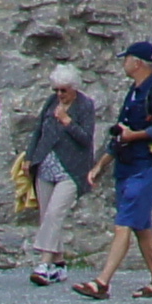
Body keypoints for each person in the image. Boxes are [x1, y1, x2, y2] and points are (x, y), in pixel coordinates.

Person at [79, 41, 152, 299]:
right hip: (126, 164)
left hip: (145, 166)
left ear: (138, 63)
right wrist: (100, 165)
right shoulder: (133, 92)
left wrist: (138, 136)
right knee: (141, 226)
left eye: (126, 59)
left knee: (124, 222)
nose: (123, 63)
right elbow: (121, 132)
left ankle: (102, 282)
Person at [20, 67, 104, 285]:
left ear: (73, 88)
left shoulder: (85, 106)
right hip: (45, 166)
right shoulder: (51, 103)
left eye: (64, 90)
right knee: (46, 214)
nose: (59, 94)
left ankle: (44, 263)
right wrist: (29, 157)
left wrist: (67, 121)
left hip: (71, 169)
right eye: (56, 90)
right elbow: (38, 130)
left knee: (55, 213)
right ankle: (59, 265)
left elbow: (86, 139)